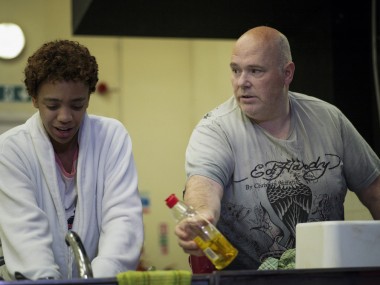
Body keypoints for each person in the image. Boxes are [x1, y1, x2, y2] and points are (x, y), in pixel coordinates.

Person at [175, 26, 380, 271]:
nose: (242, 82)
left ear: (287, 73)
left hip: (326, 277)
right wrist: (201, 216)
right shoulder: (215, 128)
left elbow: (375, 192)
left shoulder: (329, 120)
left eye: (255, 71)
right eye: (236, 70)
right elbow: (203, 185)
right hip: (247, 280)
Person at [0, 40, 144, 280]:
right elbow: (26, 236)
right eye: (53, 105)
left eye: (77, 105)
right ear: (34, 99)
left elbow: (123, 220)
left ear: (88, 97)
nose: (65, 117)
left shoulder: (111, 138)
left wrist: (98, 282)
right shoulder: (11, 150)